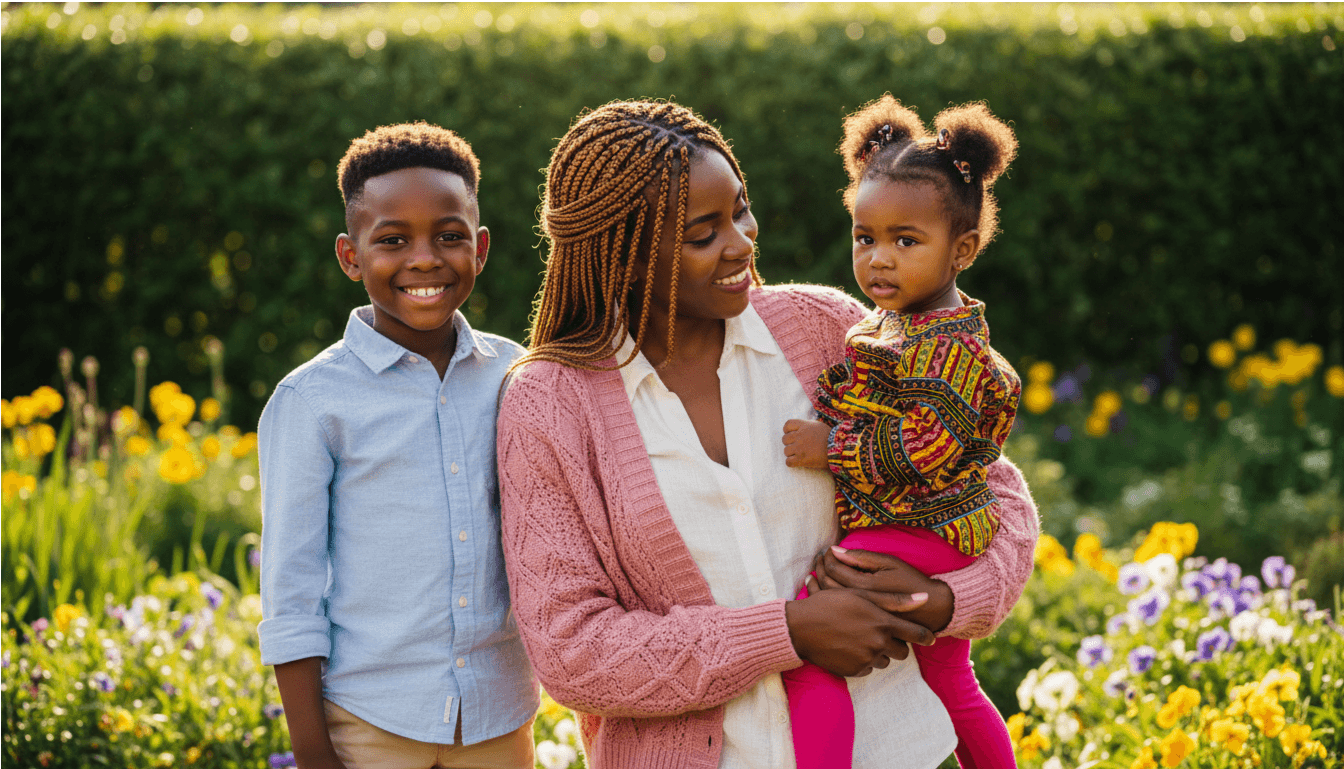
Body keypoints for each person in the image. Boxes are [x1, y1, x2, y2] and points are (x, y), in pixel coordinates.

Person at [497, 100, 1039, 769]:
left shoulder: (824, 329)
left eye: (740, 210)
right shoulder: (551, 406)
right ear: (628, 254)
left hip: (900, 747)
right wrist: (788, 633)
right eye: (704, 233)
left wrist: (950, 599)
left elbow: (994, 491)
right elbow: (572, 652)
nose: (742, 243)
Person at [257, 122, 538, 769]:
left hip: (498, 721)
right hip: (369, 725)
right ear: (350, 256)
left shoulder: (517, 375)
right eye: (392, 240)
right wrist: (313, 753)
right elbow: (291, 596)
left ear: (482, 247)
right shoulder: (311, 402)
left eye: (449, 236)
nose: (424, 259)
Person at [779, 96, 1021, 769]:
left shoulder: (952, 352)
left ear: (961, 250)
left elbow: (925, 447)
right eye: (866, 237)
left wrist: (832, 448)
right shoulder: (893, 329)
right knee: (951, 679)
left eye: (905, 241)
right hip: (924, 529)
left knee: (809, 645)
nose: (880, 259)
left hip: (923, 529)